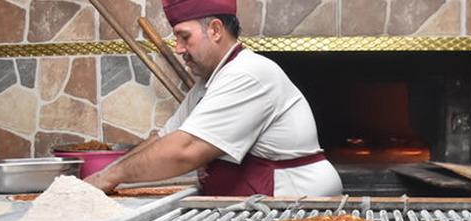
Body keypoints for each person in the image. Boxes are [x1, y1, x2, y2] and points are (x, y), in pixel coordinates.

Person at [86, 0, 342, 197]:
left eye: (184, 37)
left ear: (215, 30)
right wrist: (105, 174)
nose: (178, 49)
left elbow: (184, 151)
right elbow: (162, 139)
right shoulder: (208, 83)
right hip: (261, 205)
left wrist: (111, 176)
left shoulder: (248, 73)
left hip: (299, 206)